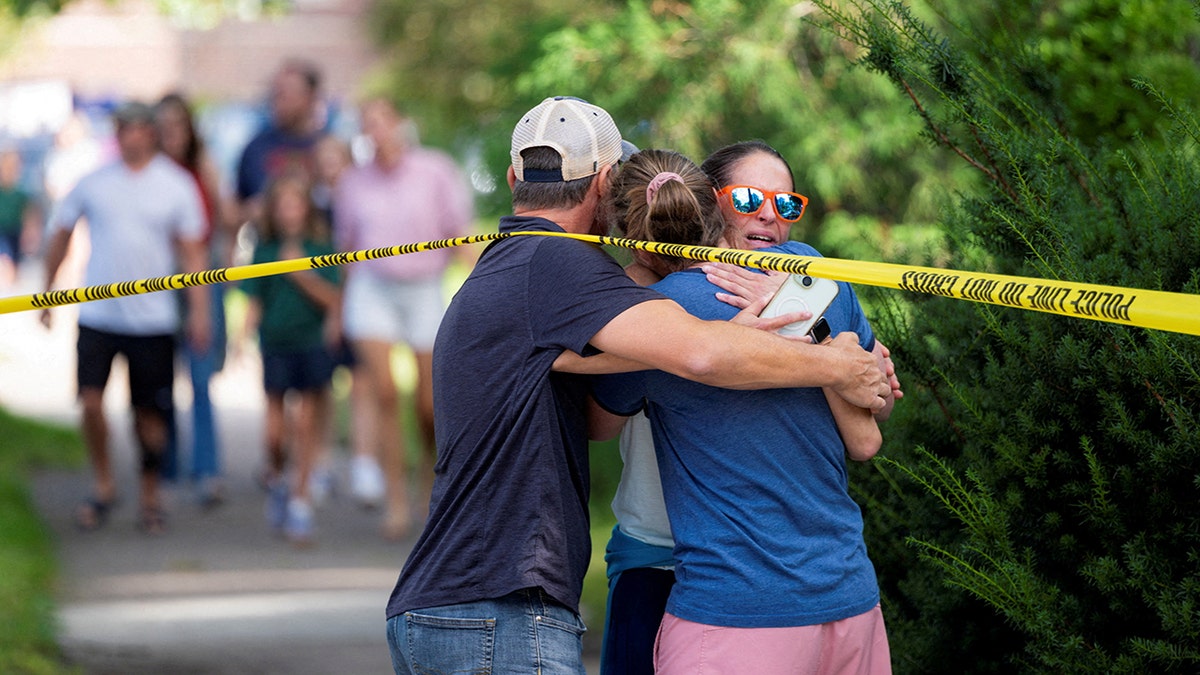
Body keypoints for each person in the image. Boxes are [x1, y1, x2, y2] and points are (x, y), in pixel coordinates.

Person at [384, 96, 890, 675]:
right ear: (603, 182)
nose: (769, 215)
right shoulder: (563, 266)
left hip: (461, 601)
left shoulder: (516, 263)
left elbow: (658, 354)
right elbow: (701, 353)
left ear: (512, 178)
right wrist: (841, 362)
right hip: (497, 608)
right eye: (748, 199)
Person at [600, 140, 903, 674]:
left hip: (735, 607)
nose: (770, 213)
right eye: (748, 198)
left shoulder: (674, 309)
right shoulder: (816, 280)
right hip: (824, 591)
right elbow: (868, 429)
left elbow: (872, 410)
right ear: (706, 201)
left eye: (787, 205)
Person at [40, 100, 210, 536]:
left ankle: (150, 493)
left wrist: (199, 312)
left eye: (137, 129)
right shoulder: (95, 182)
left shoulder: (175, 185)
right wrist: (48, 293)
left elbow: (194, 255)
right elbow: (61, 232)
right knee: (91, 402)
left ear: (150, 133)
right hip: (99, 314)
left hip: (152, 321)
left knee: (148, 414)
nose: (130, 136)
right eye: (123, 129)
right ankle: (104, 483)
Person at [332, 96, 475, 538]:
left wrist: (477, 294)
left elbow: (460, 235)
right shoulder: (353, 182)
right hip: (372, 288)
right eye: (366, 123)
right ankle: (395, 500)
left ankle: (426, 488)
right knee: (386, 392)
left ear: (399, 123)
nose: (375, 131)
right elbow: (346, 249)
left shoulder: (434, 169)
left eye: (381, 121)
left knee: (428, 405)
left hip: (423, 287)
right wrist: (338, 308)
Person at [239, 175, 341, 546]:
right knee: (275, 433)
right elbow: (253, 299)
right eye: (282, 205)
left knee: (305, 425)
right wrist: (241, 339)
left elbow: (333, 298)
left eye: (295, 204)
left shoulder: (321, 247)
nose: (289, 212)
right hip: (274, 344)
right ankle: (278, 479)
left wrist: (301, 274)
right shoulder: (264, 250)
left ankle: (300, 502)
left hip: (310, 343)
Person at [155, 92, 236, 508]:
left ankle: (208, 470)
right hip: (158, 284)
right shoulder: (147, 174)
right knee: (160, 380)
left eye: (177, 125)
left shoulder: (204, 170)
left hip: (201, 279)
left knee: (201, 378)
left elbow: (221, 225)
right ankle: (165, 466)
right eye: (162, 125)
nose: (170, 134)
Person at [236, 57, 327, 230]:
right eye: (275, 93)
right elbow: (235, 211)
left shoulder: (328, 148)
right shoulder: (256, 148)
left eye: (286, 93)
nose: (277, 101)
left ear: (310, 97)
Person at [0, 148, 41, 288]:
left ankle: (12, 283)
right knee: (6, 256)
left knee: (16, 257)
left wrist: (30, 230)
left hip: (16, 227)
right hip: (2, 229)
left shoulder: (23, 188)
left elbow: (29, 211)